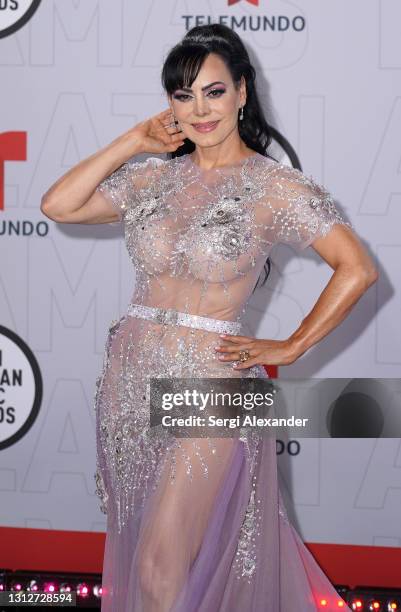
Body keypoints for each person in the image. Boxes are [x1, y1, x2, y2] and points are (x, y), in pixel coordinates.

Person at [41, 23, 377, 612]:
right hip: (130, 373)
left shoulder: (277, 188)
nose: (199, 110)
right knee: (146, 555)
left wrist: (292, 346)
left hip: (215, 381)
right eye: (183, 94)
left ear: (243, 92)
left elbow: (356, 269)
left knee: (160, 561)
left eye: (214, 92)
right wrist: (132, 141)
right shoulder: (151, 176)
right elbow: (57, 204)